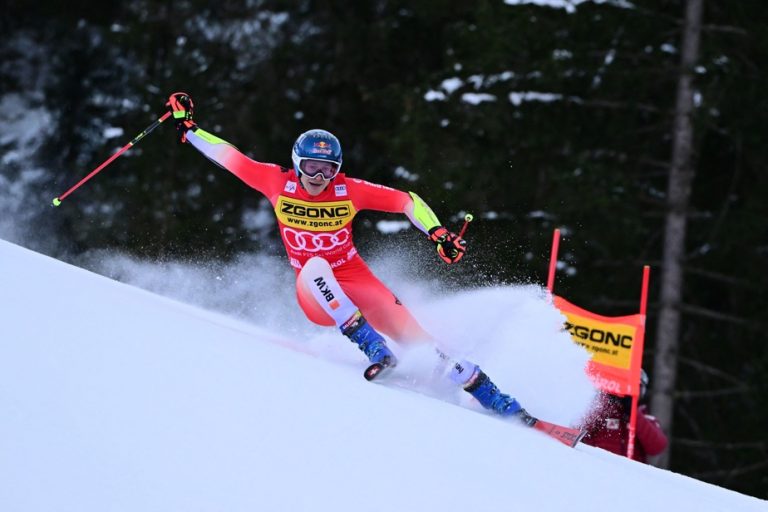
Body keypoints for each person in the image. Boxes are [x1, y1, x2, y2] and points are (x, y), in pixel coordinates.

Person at [166, 92, 535, 424]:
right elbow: (230, 157)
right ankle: (374, 347)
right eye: (311, 167)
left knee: (419, 337)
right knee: (315, 265)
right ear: (297, 164)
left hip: (355, 280)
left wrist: (437, 233)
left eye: (328, 169)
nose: (319, 177)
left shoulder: (348, 191)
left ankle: (496, 399)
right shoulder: (277, 182)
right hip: (314, 293)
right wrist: (190, 128)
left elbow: (406, 200)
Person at [581, 369, 668, 462]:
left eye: (636, 386)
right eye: (626, 385)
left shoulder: (646, 419)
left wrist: (633, 412)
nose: (629, 390)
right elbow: (578, 430)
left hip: (629, 474)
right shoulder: (601, 412)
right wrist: (606, 402)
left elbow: (657, 447)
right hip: (597, 470)